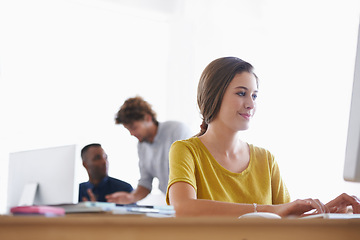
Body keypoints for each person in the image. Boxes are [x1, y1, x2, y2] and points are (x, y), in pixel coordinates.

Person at [166, 56, 360, 217]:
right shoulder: (186, 150)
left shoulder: (265, 159)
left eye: (255, 96)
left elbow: (289, 219)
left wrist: (329, 213)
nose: (251, 104)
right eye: (242, 93)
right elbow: (182, 207)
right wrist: (266, 210)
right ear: (213, 96)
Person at [106, 96, 192, 204]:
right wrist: (131, 198)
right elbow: (145, 182)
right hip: (173, 204)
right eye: (128, 129)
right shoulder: (142, 146)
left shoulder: (177, 130)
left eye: (133, 127)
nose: (131, 133)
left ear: (148, 118)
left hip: (193, 200)